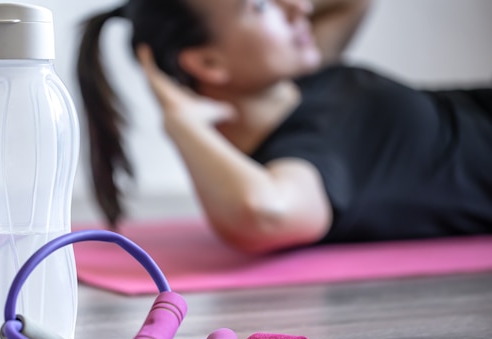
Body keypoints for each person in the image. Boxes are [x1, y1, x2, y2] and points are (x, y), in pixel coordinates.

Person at [76, 0, 492, 254]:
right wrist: (181, 122)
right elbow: (262, 215)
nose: (299, 8)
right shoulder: (307, 151)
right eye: (260, 4)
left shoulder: (300, 76)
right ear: (208, 63)